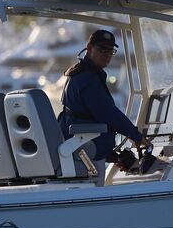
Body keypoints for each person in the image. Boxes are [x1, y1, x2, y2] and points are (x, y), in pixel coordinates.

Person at [59, 28, 148, 169]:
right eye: (102, 49)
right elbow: (107, 113)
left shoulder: (83, 73)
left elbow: (89, 116)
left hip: (81, 147)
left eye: (110, 51)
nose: (107, 55)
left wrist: (109, 155)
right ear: (89, 48)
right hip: (86, 151)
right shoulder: (87, 79)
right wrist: (136, 136)